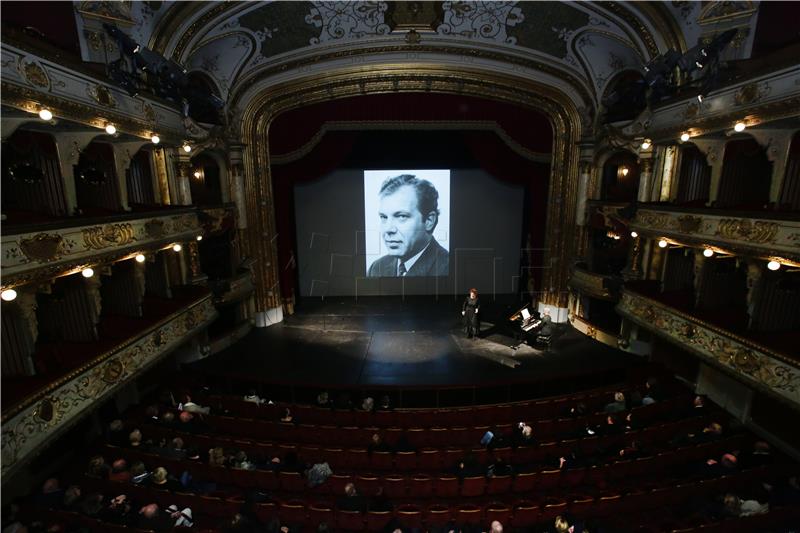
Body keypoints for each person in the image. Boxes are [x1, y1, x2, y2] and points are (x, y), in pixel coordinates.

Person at [367, 174, 448, 277]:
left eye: (401, 216)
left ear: (429, 221)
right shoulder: (377, 268)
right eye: (384, 217)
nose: (388, 229)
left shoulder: (449, 269)